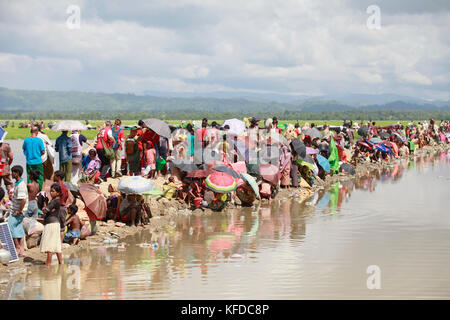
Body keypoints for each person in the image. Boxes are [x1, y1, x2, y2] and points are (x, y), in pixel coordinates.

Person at [40, 183, 63, 267]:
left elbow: (45, 210)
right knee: (56, 245)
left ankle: (48, 265)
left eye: (53, 191)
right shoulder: (56, 201)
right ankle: (60, 263)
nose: (51, 193)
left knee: (50, 245)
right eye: (51, 191)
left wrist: (45, 205)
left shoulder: (54, 201)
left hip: (51, 224)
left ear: (58, 192)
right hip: (55, 224)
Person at [8, 165, 28, 257]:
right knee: (19, 229)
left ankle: (17, 248)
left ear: (17, 173)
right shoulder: (18, 183)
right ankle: (22, 250)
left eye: (13, 172)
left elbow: (23, 200)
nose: (12, 174)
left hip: (17, 211)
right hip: (17, 210)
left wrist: (19, 211)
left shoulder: (20, 185)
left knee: (11, 228)